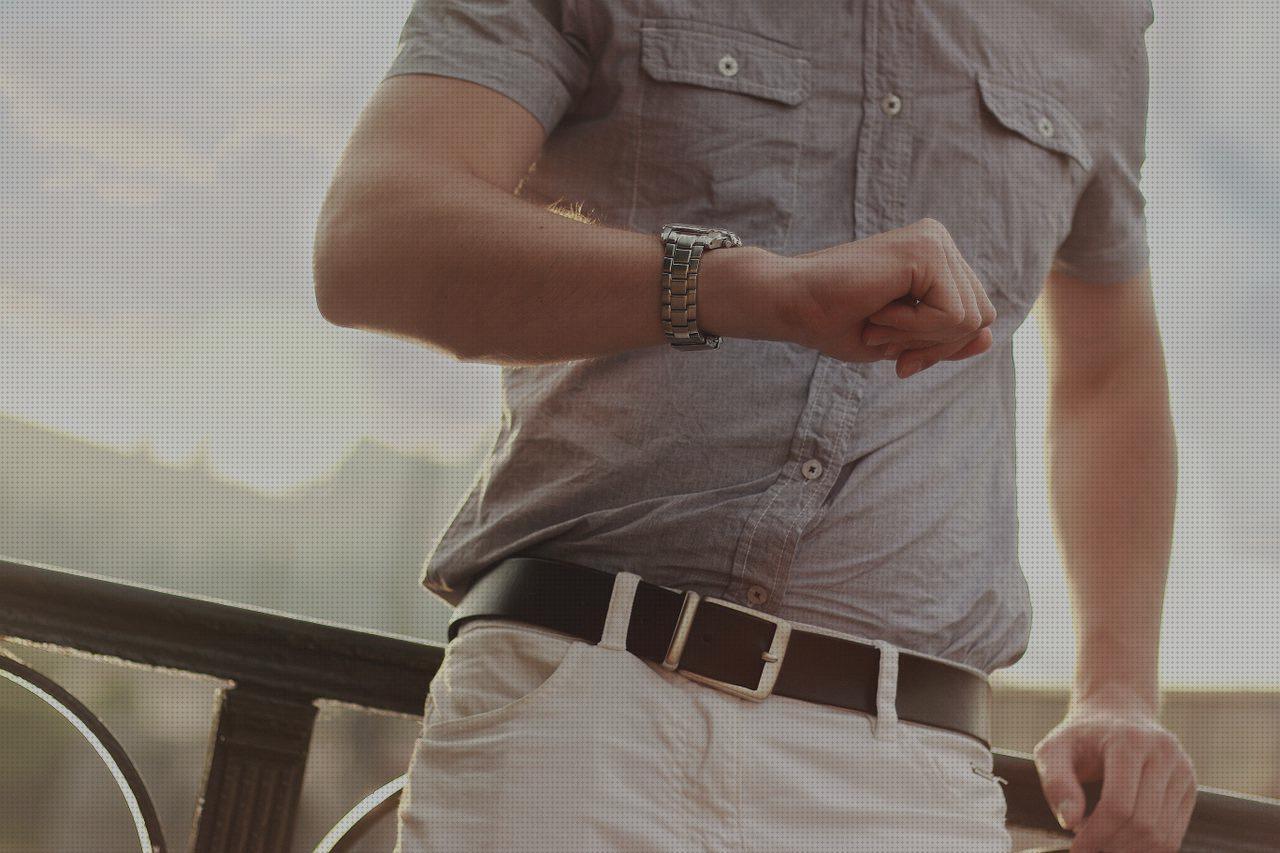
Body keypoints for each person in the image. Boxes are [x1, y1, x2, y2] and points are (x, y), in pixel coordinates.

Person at [313, 0, 1197, 850]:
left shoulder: (1098, 17)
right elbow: (377, 236)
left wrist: (1118, 690)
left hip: (910, 785)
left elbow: (1106, 370)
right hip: (578, 728)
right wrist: (748, 290)